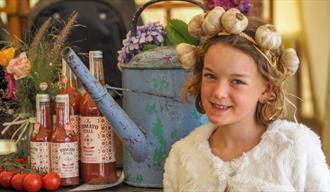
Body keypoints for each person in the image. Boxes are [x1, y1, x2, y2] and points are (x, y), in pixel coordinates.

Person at [163, 6, 330, 191]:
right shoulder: (182, 156)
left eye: (237, 81)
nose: (219, 92)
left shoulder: (296, 147)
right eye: (210, 76)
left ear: (267, 89)